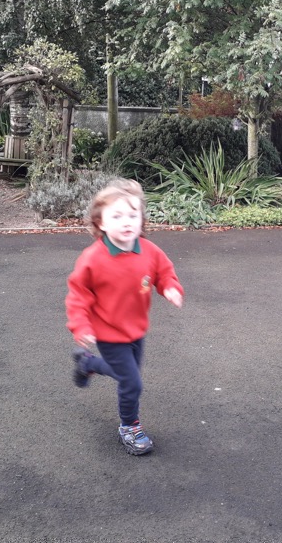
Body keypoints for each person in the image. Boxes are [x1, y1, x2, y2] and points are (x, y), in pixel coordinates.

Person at [65, 178, 184, 455]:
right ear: (101, 223)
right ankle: (129, 427)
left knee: (127, 376)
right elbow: (78, 294)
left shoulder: (150, 251)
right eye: (116, 216)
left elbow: (164, 273)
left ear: (141, 219)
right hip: (108, 332)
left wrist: (170, 288)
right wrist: (80, 324)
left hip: (136, 329)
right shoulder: (93, 258)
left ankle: (87, 363)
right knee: (131, 381)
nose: (126, 222)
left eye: (132, 215)